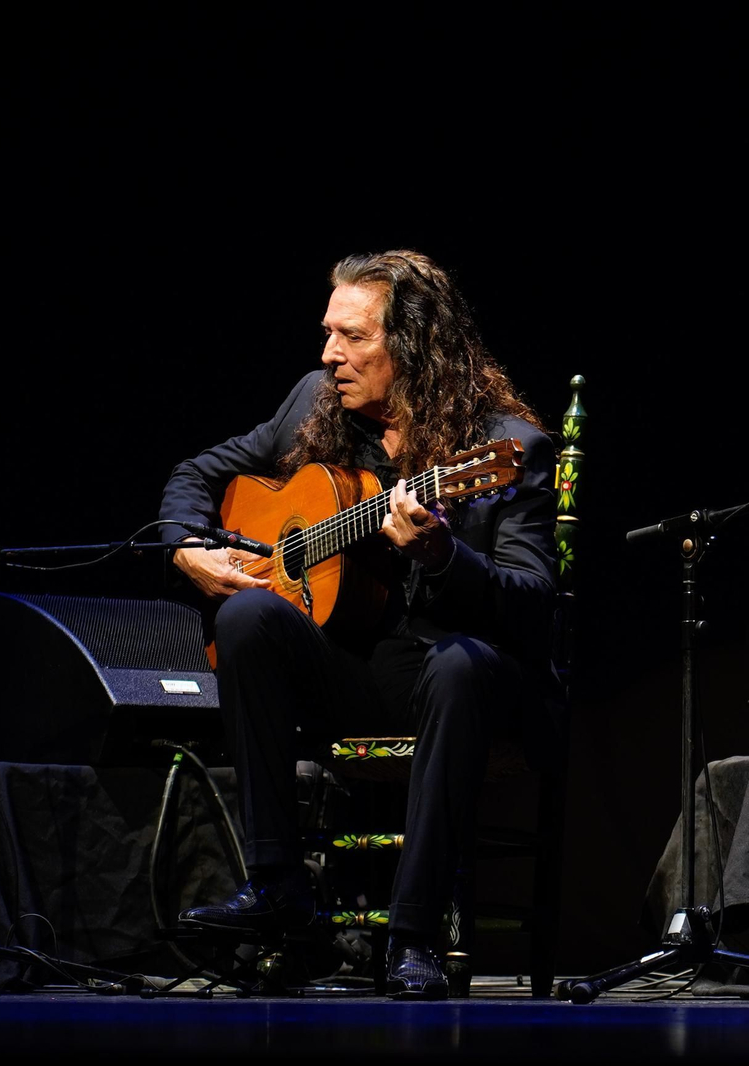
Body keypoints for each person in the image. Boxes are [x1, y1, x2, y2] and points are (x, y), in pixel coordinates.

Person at [162, 251, 559, 999]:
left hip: (452, 684)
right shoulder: (313, 405)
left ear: (413, 345)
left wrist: (443, 556)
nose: (329, 355)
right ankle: (277, 884)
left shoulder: (507, 446)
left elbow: (535, 602)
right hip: (348, 676)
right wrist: (187, 546)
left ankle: (414, 934)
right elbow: (197, 473)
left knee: (460, 665)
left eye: (352, 337)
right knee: (247, 613)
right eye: (328, 333)